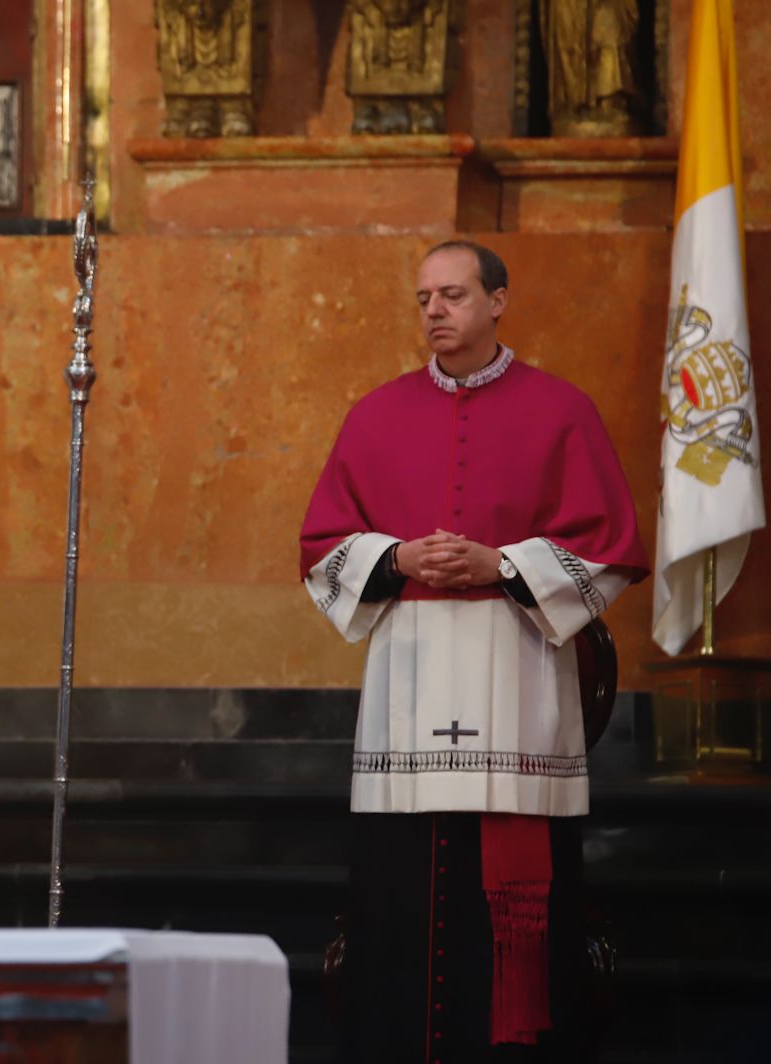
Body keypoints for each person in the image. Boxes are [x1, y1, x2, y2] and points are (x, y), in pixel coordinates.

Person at [300, 240, 649, 1060]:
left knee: (512, 927)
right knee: (400, 904)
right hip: (408, 691)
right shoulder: (374, 414)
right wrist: (399, 559)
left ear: (498, 301)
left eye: (452, 295)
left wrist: (503, 564)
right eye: (423, 297)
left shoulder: (562, 410)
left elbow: (614, 546)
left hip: (517, 679)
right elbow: (321, 543)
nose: (434, 311)